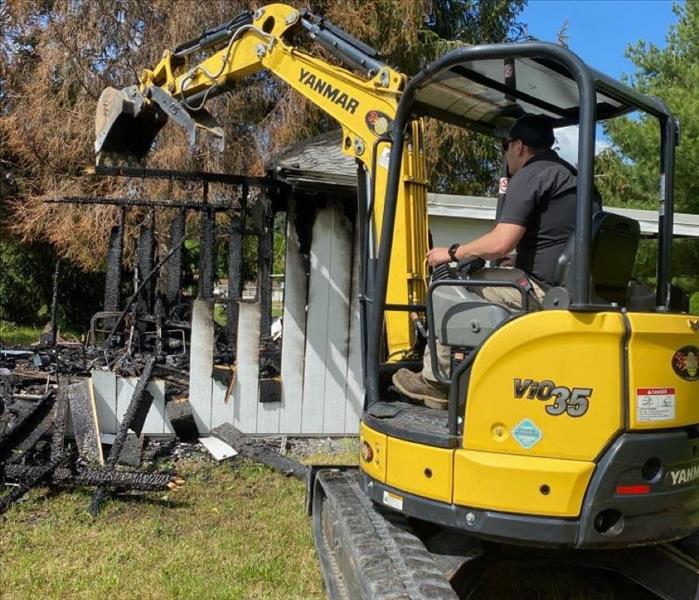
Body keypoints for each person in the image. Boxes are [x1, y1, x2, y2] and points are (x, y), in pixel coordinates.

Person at [392, 113, 601, 409]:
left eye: (506, 147)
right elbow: (560, 240)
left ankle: (435, 382)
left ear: (518, 146)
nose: (507, 155)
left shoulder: (532, 174)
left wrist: (450, 253)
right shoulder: (575, 179)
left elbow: (499, 241)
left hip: (540, 291)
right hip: (568, 288)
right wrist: (516, 257)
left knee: (446, 287)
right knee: (486, 279)